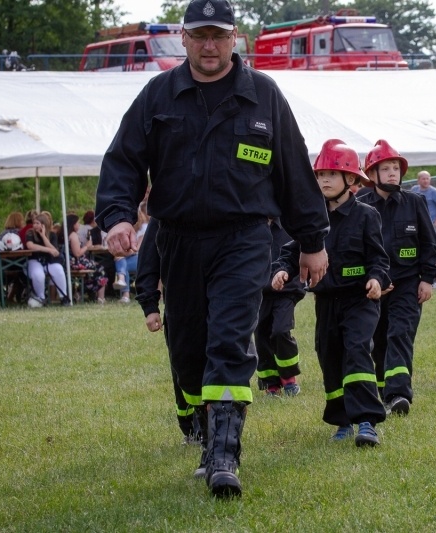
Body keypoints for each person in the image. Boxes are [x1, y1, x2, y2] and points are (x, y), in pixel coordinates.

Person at [94, 0, 330, 499]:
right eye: (199, 35)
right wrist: (117, 215)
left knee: (228, 340)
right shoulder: (159, 95)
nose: (209, 45)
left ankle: (225, 455)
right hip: (176, 239)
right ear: (183, 37)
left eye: (218, 36)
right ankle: (205, 433)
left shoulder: (263, 95)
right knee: (187, 350)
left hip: (244, 238)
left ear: (234, 38)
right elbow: (123, 160)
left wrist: (312, 242)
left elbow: (293, 172)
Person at [273, 139, 390, 446]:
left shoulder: (366, 216)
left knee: (356, 351)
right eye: (320, 174)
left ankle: (366, 421)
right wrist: (283, 269)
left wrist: (377, 279)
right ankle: (341, 421)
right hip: (326, 301)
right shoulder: (311, 219)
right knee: (330, 357)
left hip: (359, 300)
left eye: (331, 174)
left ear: (351, 180)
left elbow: (379, 258)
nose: (323, 180)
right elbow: (291, 249)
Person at [358, 139, 436, 417]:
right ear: (372, 175)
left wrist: (427, 278)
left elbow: (430, 243)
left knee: (399, 333)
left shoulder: (414, 202)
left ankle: (398, 394)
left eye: (396, 167)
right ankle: (382, 391)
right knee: (377, 341)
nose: (393, 173)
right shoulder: (360, 206)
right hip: (373, 287)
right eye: (386, 168)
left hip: (407, 284)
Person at [134, 217, 201, 446]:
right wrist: (150, 306)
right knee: (184, 368)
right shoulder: (164, 212)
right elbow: (148, 259)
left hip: (220, 305)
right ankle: (190, 427)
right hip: (179, 308)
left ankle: (216, 427)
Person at [256, 217, 305, 397]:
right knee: (261, 335)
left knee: (280, 331)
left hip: (287, 289)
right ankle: (271, 384)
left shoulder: (288, 226)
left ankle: (289, 378)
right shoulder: (250, 228)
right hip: (259, 291)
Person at [60, 214, 108, 304]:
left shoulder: (64, 235)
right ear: (73, 224)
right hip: (75, 263)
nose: (79, 225)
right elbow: (77, 253)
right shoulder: (73, 235)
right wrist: (87, 246)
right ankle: (100, 297)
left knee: (94, 268)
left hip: (67, 262)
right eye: (78, 223)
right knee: (100, 268)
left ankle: (82, 292)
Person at [24, 213, 69, 307]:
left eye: (37, 223)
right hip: (35, 259)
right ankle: (41, 298)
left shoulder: (52, 235)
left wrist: (44, 236)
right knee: (38, 274)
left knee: (58, 270)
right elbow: (30, 245)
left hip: (49, 260)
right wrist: (48, 250)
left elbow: (55, 251)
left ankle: (63, 297)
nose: (35, 225)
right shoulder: (30, 233)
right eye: (34, 223)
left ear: (44, 224)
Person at [114, 204, 149, 303]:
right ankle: (122, 280)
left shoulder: (144, 228)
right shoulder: (126, 229)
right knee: (123, 264)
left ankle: (125, 293)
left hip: (141, 258)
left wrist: (121, 254)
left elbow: (136, 248)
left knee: (121, 261)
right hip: (128, 257)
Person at [410, 170, 436, 243]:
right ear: (418, 180)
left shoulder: (434, 192)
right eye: (423, 179)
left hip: (432, 222)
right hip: (420, 222)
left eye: (427, 178)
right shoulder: (414, 189)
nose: (426, 181)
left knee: (435, 244)